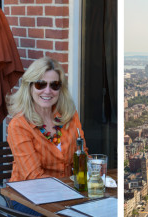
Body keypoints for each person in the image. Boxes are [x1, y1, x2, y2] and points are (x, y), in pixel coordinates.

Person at [5, 57, 87, 214]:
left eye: (54, 85)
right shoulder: (19, 124)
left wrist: (93, 176)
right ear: (29, 87)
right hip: (28, 199)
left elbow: (83, 155)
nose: (47, 91)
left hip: (68, 195)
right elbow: (34, 177)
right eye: (40, 84)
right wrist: (71, 193)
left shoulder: (70, 116)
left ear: (60, 89)